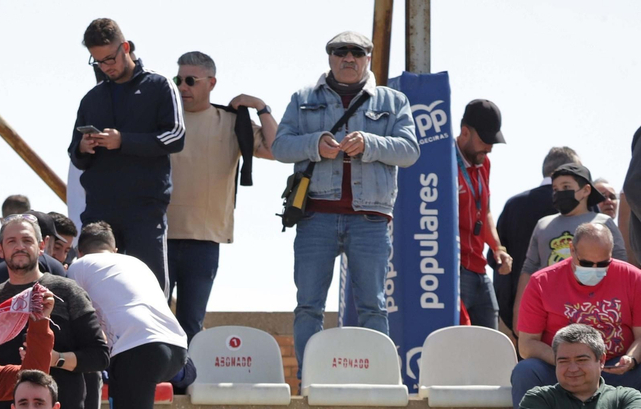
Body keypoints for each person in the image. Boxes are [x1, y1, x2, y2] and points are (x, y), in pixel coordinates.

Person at [271, 31, 419, 367]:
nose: (348, 58)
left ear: (368, 57)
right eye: (341, 52)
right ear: (330, 58)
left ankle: (376, 378)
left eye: (357, 52)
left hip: (370, 218)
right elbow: (280, 146)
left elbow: (410, 152)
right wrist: (315, 144)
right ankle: (310, 377)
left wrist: (370, 143)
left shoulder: (393, 101)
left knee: (373, 305)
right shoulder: (302, 97)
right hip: (315, 216)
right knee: (308, 305)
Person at [0, 214, 111, 409]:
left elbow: (99, 355)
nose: (19, 246)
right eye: (11, 241)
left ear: (41, 246)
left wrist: (56, 358)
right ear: (0, 249)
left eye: (27, 240)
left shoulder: (67, 291)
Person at [69, 18, 185, 290]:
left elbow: (176, 136)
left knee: (150, 288)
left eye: (110, 58)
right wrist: (83, 148)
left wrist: (123, 141)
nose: (106, 66)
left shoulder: (159, 85)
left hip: (143, 209)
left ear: (126, 47)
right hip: (99, 210)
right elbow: (75, 153)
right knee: (92, 288)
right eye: (98, 61)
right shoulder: (92, 98)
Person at [166, 50, 276, 337]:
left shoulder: (231, 122)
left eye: (191, 80)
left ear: (211, 83)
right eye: (178, 79)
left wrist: (260, 106)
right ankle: (154, 385)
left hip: (205, 241)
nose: (182, 87)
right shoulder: (162, 119)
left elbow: (277, 149)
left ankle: (184, 384)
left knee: (191, 325)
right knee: (153, 323)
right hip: (158, 237)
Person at [69, 224, 189, 409]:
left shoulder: (79, 267)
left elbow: (75, 317)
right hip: (176, 348)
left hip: (136, 354)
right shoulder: (136, 263)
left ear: (80, 251)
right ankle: (188, 372)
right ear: (114, 248)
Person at [512, 225, 641, 406]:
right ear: (572, 250)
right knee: (526, 371)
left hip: (614, 369)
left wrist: (631, 358)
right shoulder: (542, 282)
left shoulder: (633, 278)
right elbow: (526, 345)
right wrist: (566, 362)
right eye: (587, 263)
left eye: (603, 264)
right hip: (561, 370)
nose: (595, 269)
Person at [518, 163, 628, 313]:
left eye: (566, 187)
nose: (560, 193)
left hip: (595, 307)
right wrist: (519, 310)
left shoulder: (603, 222)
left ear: (586, 190)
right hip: (551, 308)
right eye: (555, 189)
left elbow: (620, 264)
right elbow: (529, 268)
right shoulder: (543, 225)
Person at [497, 147, 582, 331]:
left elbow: (498, 260)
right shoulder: (584, 207)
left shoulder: (514, 205)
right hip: (577, 313)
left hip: (523, 314)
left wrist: (509, 312)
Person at [455, 100, 512, 328]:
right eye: (485, 141)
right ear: (465, 132)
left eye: (493, 142)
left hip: (479, 268)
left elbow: (485, 209)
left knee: (491, 345)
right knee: (458, 344)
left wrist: (497, 247)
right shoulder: (441, 161)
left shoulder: (484, 162)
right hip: (454, 270)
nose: (489, 148)